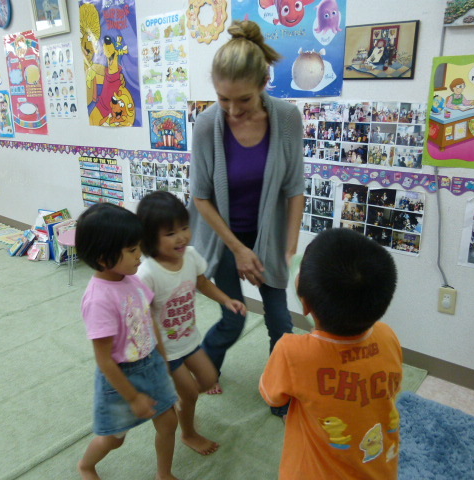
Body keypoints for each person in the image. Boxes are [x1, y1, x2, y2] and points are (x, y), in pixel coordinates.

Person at [188, 20, 304, 416]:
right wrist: (238, 249)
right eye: (223, 99)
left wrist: (289, 247)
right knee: (233, 317)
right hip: (222, 238)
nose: (234, 110)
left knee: (280, 322)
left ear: (264, 84)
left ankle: (279, 394)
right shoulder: (207, 124)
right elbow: (201, 196)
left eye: (244, 100)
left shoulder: (287, 118)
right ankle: (205, 372)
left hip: (268, 236)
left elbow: (295, 187)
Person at [259, 228, 402, 479]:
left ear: (305, 304)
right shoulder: (388, 336)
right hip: (380, 470)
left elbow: (273, 397)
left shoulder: (291, 353)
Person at [137, 191, 246, 456]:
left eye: (185, 228)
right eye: (170, 233)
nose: (182, 237)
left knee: (209, 379)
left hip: (189, 339)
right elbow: (141, 320)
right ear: (150, 237)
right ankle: (188, 433)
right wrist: (155, 358)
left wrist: (227, 300)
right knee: (191, 394)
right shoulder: (147, 273)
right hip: (166, 351)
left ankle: (180, 401)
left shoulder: (191, 256)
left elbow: (203, 283)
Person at [75, 203, 180, 480]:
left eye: (139, 247)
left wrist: (163, 359)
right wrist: (133, 397)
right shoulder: (98, 299)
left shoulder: (131, 279)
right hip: (121, 376)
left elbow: (148, 318)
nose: (139, 255)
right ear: (103, 258)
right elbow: (104, 360)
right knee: (114, 439)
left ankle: (164, 473)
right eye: (132, 250)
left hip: (151, 363)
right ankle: (86, 465)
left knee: (169, 422)